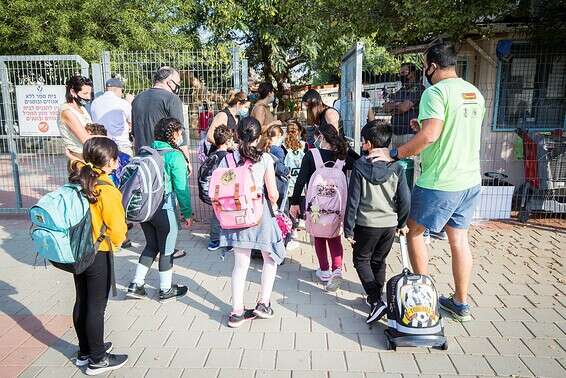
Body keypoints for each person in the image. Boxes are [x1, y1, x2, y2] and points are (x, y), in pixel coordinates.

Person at [370, 42, 485, 322]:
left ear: (432, 66)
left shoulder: (434, 92)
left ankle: (425, 300)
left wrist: (393, 152)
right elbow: (448, 131)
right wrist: (421, 130)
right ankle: (460, 303)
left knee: (414, 232)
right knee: (459, 239)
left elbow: (431, 136)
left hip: (440, 180)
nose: (424, 71)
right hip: (469, 179)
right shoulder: (474, 93)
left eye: (425, 66)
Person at [68, 137, 128, 375]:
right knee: (96, 307)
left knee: (82, 300)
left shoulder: (78, 181)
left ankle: (85, 351)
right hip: (97, 252)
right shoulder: (107, 189)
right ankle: (98, 358)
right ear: (110, 161)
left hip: (76, 250)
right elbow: (117, 229)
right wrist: (118, 242)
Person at [219, 117, 285, 328]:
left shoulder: (227, 160)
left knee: (240, 264)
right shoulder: (265, 159)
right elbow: (273, 194)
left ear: (237, 135)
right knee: (270, 257)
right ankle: (263, 303)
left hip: (234, 217)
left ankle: (237, 312)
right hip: (259, 215)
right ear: (259, 137)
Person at [344, 120, 411, 325]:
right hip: (389, 225)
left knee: (361, 260)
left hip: (366, 224)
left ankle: (376, 300)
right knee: (379, 261)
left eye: (364, 142)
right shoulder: (398, 167)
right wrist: (402, 222)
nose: (362, 146)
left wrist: (348, 229)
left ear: (371, 144)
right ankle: (377, 299)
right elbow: (405, 198)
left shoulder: (360, 166)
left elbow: (353, 199)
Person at [127, 118, 192, 302]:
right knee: (166, 249)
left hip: (146, 209)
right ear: (172, 134)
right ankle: (165, 290)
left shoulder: (147, 151)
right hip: (165, 208)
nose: (181, 137)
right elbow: (181, 188)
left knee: (151, 245)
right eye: (180, 133)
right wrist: (187, 213)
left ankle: (136, 284)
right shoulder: (175, 155)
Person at [289, 123, 357, 291]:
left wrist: (295, 202)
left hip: (315, 208)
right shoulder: (342, 156)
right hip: (337, 207)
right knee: (334, 237)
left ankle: (324, 270)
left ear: (321, 137)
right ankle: (337, 269)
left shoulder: (311, 155)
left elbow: (300, 181)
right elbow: (359, 162)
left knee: (318, 236)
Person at [131, 66, 191, 165]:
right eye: (178, 83)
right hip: (165, 160)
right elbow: (179, 133)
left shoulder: (137, 99)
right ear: (170, 82)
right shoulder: (172, 99)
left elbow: (134, 134)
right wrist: (186, 160)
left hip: (142, 158)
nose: (178, 87)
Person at [205, 125, 234, 251]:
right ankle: (228, 242)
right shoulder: (229, 157)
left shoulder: (212, 155)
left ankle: (214, 241)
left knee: (216, 216)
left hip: (213, 192)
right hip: (226, 192)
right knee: (228, 215)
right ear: (228, 141)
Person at [383, 62, 425, 147]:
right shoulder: (401, 90)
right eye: (400, 73)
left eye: (404, 73)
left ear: (412, 73)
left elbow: (404, 107)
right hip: (395, 134)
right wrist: (398, 105)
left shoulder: (419, 88)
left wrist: (395, 107)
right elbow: (385, 107)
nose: (401, 76)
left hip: (410, 134)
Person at [90, 78, 134, 157]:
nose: (122, 94)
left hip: (101, 146)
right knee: (125, 168)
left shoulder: (95, 103)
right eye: (122, 91)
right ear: (118, 89)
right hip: (121, 145)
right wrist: (130, 103)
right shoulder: (123, 103)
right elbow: (131, 122)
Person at [58, 75, 93, 161]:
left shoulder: (82, 108)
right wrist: (107, 139)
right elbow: (85, 139)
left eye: (90, 93)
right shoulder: (67, 111)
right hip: (78, 156)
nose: (89, 97)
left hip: (88, 154)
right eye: (85, 93)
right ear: (73, 92)